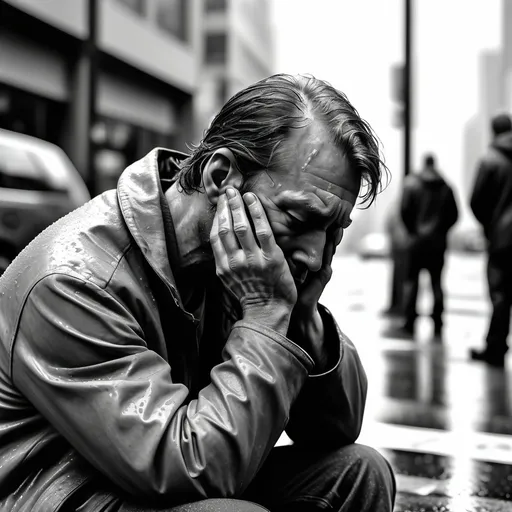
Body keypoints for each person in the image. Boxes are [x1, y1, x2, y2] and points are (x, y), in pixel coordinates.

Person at [0, 74, 395, 511]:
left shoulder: (243, 261)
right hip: (63, 492)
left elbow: (336, 430)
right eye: (300, 220)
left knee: (359, 472)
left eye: (332, 232)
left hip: (156, 475)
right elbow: (187, 470)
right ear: (220, 176)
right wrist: (265, 315)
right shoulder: (74, 281)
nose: (316, 257)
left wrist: (301, 316)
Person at [392, 154, 458, 339]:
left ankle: (409, 320)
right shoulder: (446, 187)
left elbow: (404, 210)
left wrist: (413, 231)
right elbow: (454, 215)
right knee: (436, 282)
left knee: (412, 281)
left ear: (424, 164)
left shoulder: (412, 184)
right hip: (437, 243)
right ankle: (438, 320)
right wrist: (441, 231)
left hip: (416, 243)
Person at [469, 113, 512, 368]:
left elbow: (477, 201)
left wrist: (491, 225)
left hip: (502, 239)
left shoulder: (490, 160)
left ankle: (496, 349)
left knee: (499, 295)